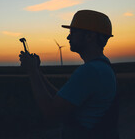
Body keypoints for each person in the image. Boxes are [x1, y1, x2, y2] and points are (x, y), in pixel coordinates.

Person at [19, 10, 119, 139]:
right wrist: (37, 71)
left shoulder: (90, 71)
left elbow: (51, 114)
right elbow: (62, 100)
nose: (68, 37)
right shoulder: (103, 68)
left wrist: (32, 72)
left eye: (73, 32)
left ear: (90, 36)